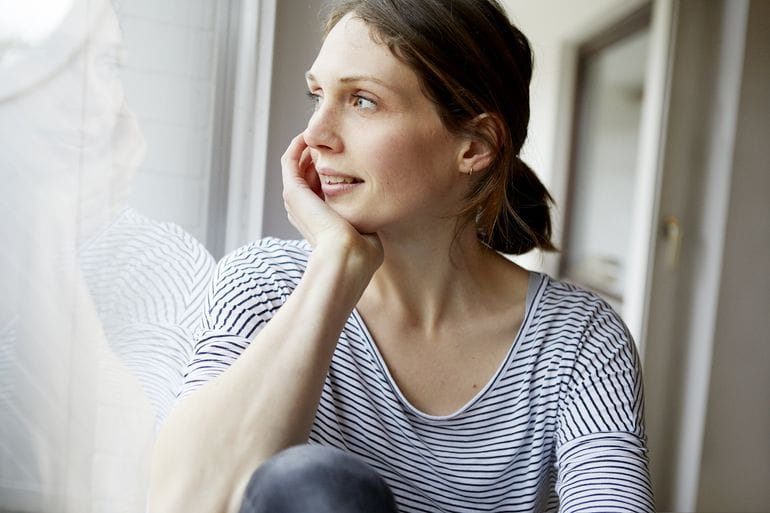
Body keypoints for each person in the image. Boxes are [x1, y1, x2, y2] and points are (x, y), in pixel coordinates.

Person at [149, 0, 654, 511]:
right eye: (317, 94)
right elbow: (183, 500)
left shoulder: (577, 339)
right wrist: (333, 270)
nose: (315, 136)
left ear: (475, 145)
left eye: (362, 100)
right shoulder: (263, 283)